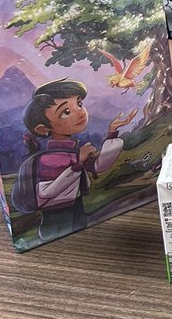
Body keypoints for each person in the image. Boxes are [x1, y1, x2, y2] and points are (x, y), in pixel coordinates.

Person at [18, 79, 136, 241]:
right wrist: (78, 164)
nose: (79, 112)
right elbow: (46, 191)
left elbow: (99, 166)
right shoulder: (49, 158)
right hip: (56, 212)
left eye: (79, 104)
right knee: (53, 239)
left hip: (77, 204)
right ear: (43, 129)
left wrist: (112, 132)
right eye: (66, 112)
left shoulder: (74, 150)